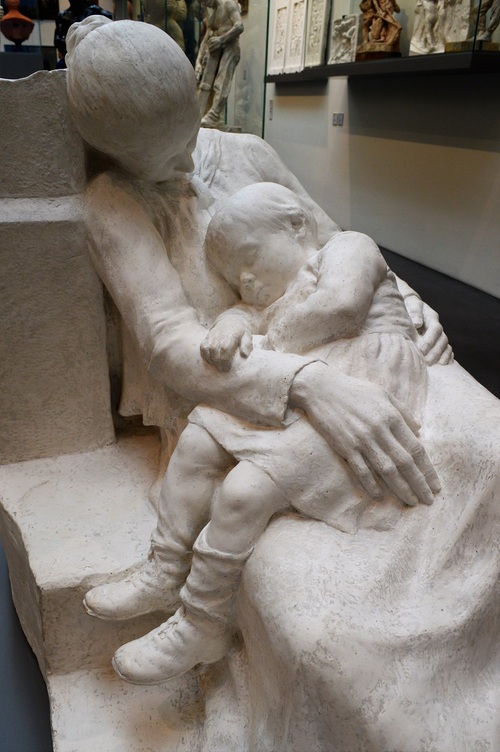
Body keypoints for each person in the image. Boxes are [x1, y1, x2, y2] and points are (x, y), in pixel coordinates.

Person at [66, 14, 447, 673]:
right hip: (237, 391)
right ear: (119, 153)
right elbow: (170, 345)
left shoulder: (248, 151)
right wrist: (304, 381)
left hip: (354, 351)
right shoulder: (112, 200)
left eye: (186, 133)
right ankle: (179, 583)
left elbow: (336, 245)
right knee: (263, 526)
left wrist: (408, 302)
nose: (186, 161)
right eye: (158, 157)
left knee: (449, 454)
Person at [84, 182, 433, 685]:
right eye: (234, 278)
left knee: (246, 491)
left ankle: (202, 619)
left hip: (367, 381)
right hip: (308, 377)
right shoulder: (272, 298)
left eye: (249, 258)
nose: (245, 279)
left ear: (296, 226)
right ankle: (165, 567)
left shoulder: (348, 247)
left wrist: (266, 333)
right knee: (199, 437)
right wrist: (230, 323)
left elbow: (341, 305)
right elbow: (244, 314)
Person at [195, 0, 243, 127]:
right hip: (216, 50)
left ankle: (214, 115)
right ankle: (198, 114)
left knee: (221, 82)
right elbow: (205, 41)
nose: (204, 5)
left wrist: (222, 40)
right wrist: (198, 62)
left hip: (230, 47)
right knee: (205, 82)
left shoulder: (229, 4)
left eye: (204, 1)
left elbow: (239, 26)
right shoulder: (213, 16)